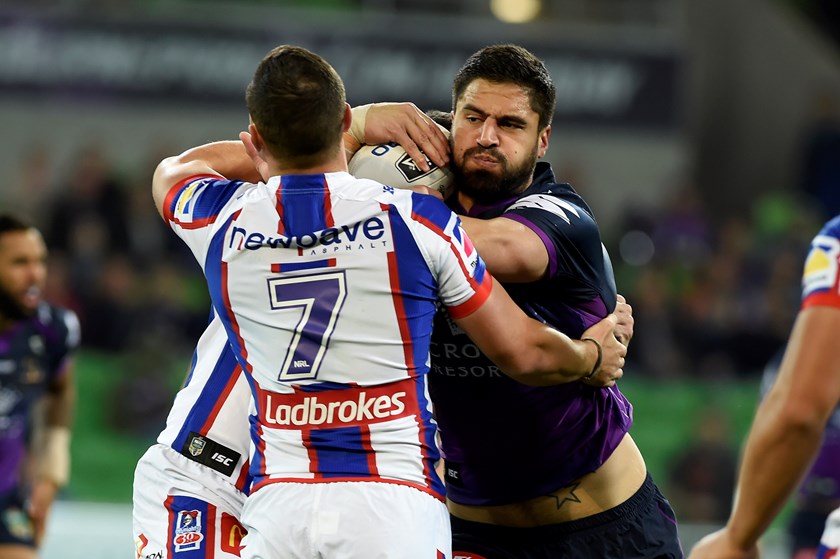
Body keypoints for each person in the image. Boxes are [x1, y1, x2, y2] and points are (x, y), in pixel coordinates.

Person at [150, 45, 627, 558]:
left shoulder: (225, 219)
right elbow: (525, 352)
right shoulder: (416, 223)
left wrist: (359, 125)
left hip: (279, 498)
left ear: (256, 141)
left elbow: (174, 173)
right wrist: (591, 356)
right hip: (390, 500)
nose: (487, 135)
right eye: (473, 117)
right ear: (341, 124)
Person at [355, 43, 682, 558]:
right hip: (469, 532)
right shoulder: (411, 197)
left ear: (541, 138)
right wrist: (355, 123)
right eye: (474, 117)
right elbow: (270, 157)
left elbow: (500, 249)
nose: (487, 137)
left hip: (602, 529)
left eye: (510, 124)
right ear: (449, 124)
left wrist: (353, 208)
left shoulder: (561, 214)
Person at [688, 215, 840, 559]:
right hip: (810, 511)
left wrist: (738, 537)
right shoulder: (777, 365)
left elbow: (798, 414)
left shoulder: (838, 242)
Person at [0, 214, 79, 559]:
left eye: (40, 262)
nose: (35, 275)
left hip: (7, 497)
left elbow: (61, 390)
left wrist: (51, 472)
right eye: (20, 263)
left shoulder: (54, 330)